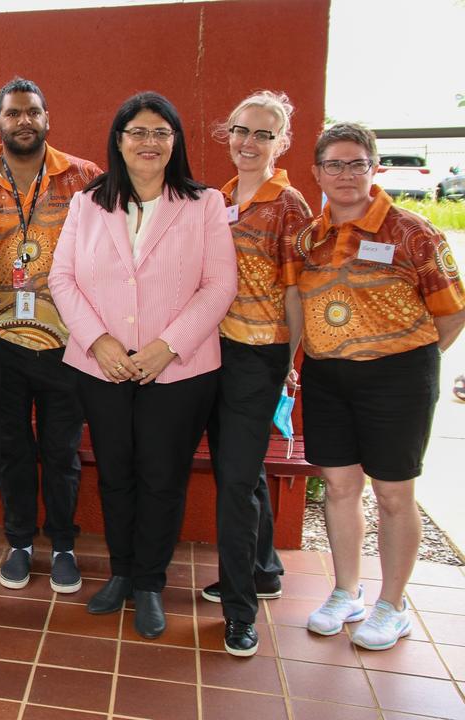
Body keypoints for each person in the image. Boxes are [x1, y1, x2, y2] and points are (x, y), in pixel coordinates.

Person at [48, 91, 237, 640]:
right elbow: (62, 278)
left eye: (160, 132)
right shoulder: (89, 203)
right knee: (115, 473)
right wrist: (98, 340)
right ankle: (123, 573)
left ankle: (151, 582)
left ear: (175, 141)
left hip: (178, 369)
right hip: (100, 366)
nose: (148, 143)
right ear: (119, 141)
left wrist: (167, 345)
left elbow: (218, 284)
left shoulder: (202, 204)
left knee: (162, 476)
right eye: (137, 132)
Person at [297, 122, 465, 651]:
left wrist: (404, 363)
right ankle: (347, 591)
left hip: (398, 378)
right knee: (342, 489)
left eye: (356, 164)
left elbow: (451, 313)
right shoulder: (310, 235)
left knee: (393, 494)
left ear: (374, 168)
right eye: (334, 165)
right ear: (317, 172)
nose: (345, 175)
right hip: (327, 377)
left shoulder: (412, 231)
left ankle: (392, 605)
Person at [0, 77, 102, 594]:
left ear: (46, 119)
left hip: (69, 341)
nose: (24, 121)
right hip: (1, 343)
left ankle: (62, 544)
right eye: (13, 113)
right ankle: (18, 542)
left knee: (61, 451)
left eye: (32, 112)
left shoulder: (86, 178)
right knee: (12, 448)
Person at [203, 91, 313, 657]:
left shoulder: (289, 205)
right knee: (238, 472)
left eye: (263, 134)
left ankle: (239, 609)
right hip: (210, 351)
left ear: (282, 143)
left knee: (237, 480)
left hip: (258, 353)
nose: (248, 142)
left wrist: (291, 363)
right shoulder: (217, 197)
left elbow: (298, 292)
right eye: (241, 130)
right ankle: (264, 569)